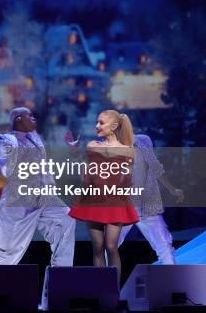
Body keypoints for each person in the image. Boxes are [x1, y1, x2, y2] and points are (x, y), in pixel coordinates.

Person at [0, 107, 75, 266]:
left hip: (43, 197)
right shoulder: (7, 140)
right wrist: (2, 150)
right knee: (7, 253)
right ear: (18, 119)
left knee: (66, 218)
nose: (34, 118)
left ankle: (61, 274)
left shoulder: (35, 138)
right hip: (19, 202)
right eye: (29, 115)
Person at [69, 109, 138, 283]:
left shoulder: (127, 150)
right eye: (97, 122)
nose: (97, 126)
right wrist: (75, 152)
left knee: (111, 245)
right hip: (94, 199)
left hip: (115, 200)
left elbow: (127, 179)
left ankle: (114, 290)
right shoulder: (92, 146)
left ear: (114, 126)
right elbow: (85, 174)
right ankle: (101, 288)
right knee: (98, 246)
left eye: (101, 123)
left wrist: (125, 178)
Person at [117, 134, 184, 264]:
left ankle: (172, 279)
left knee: (164, 247)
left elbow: (156, 169)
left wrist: (172, 189)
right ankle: (102, 279)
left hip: (145, 208)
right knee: (108, 246)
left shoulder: (142, 143)